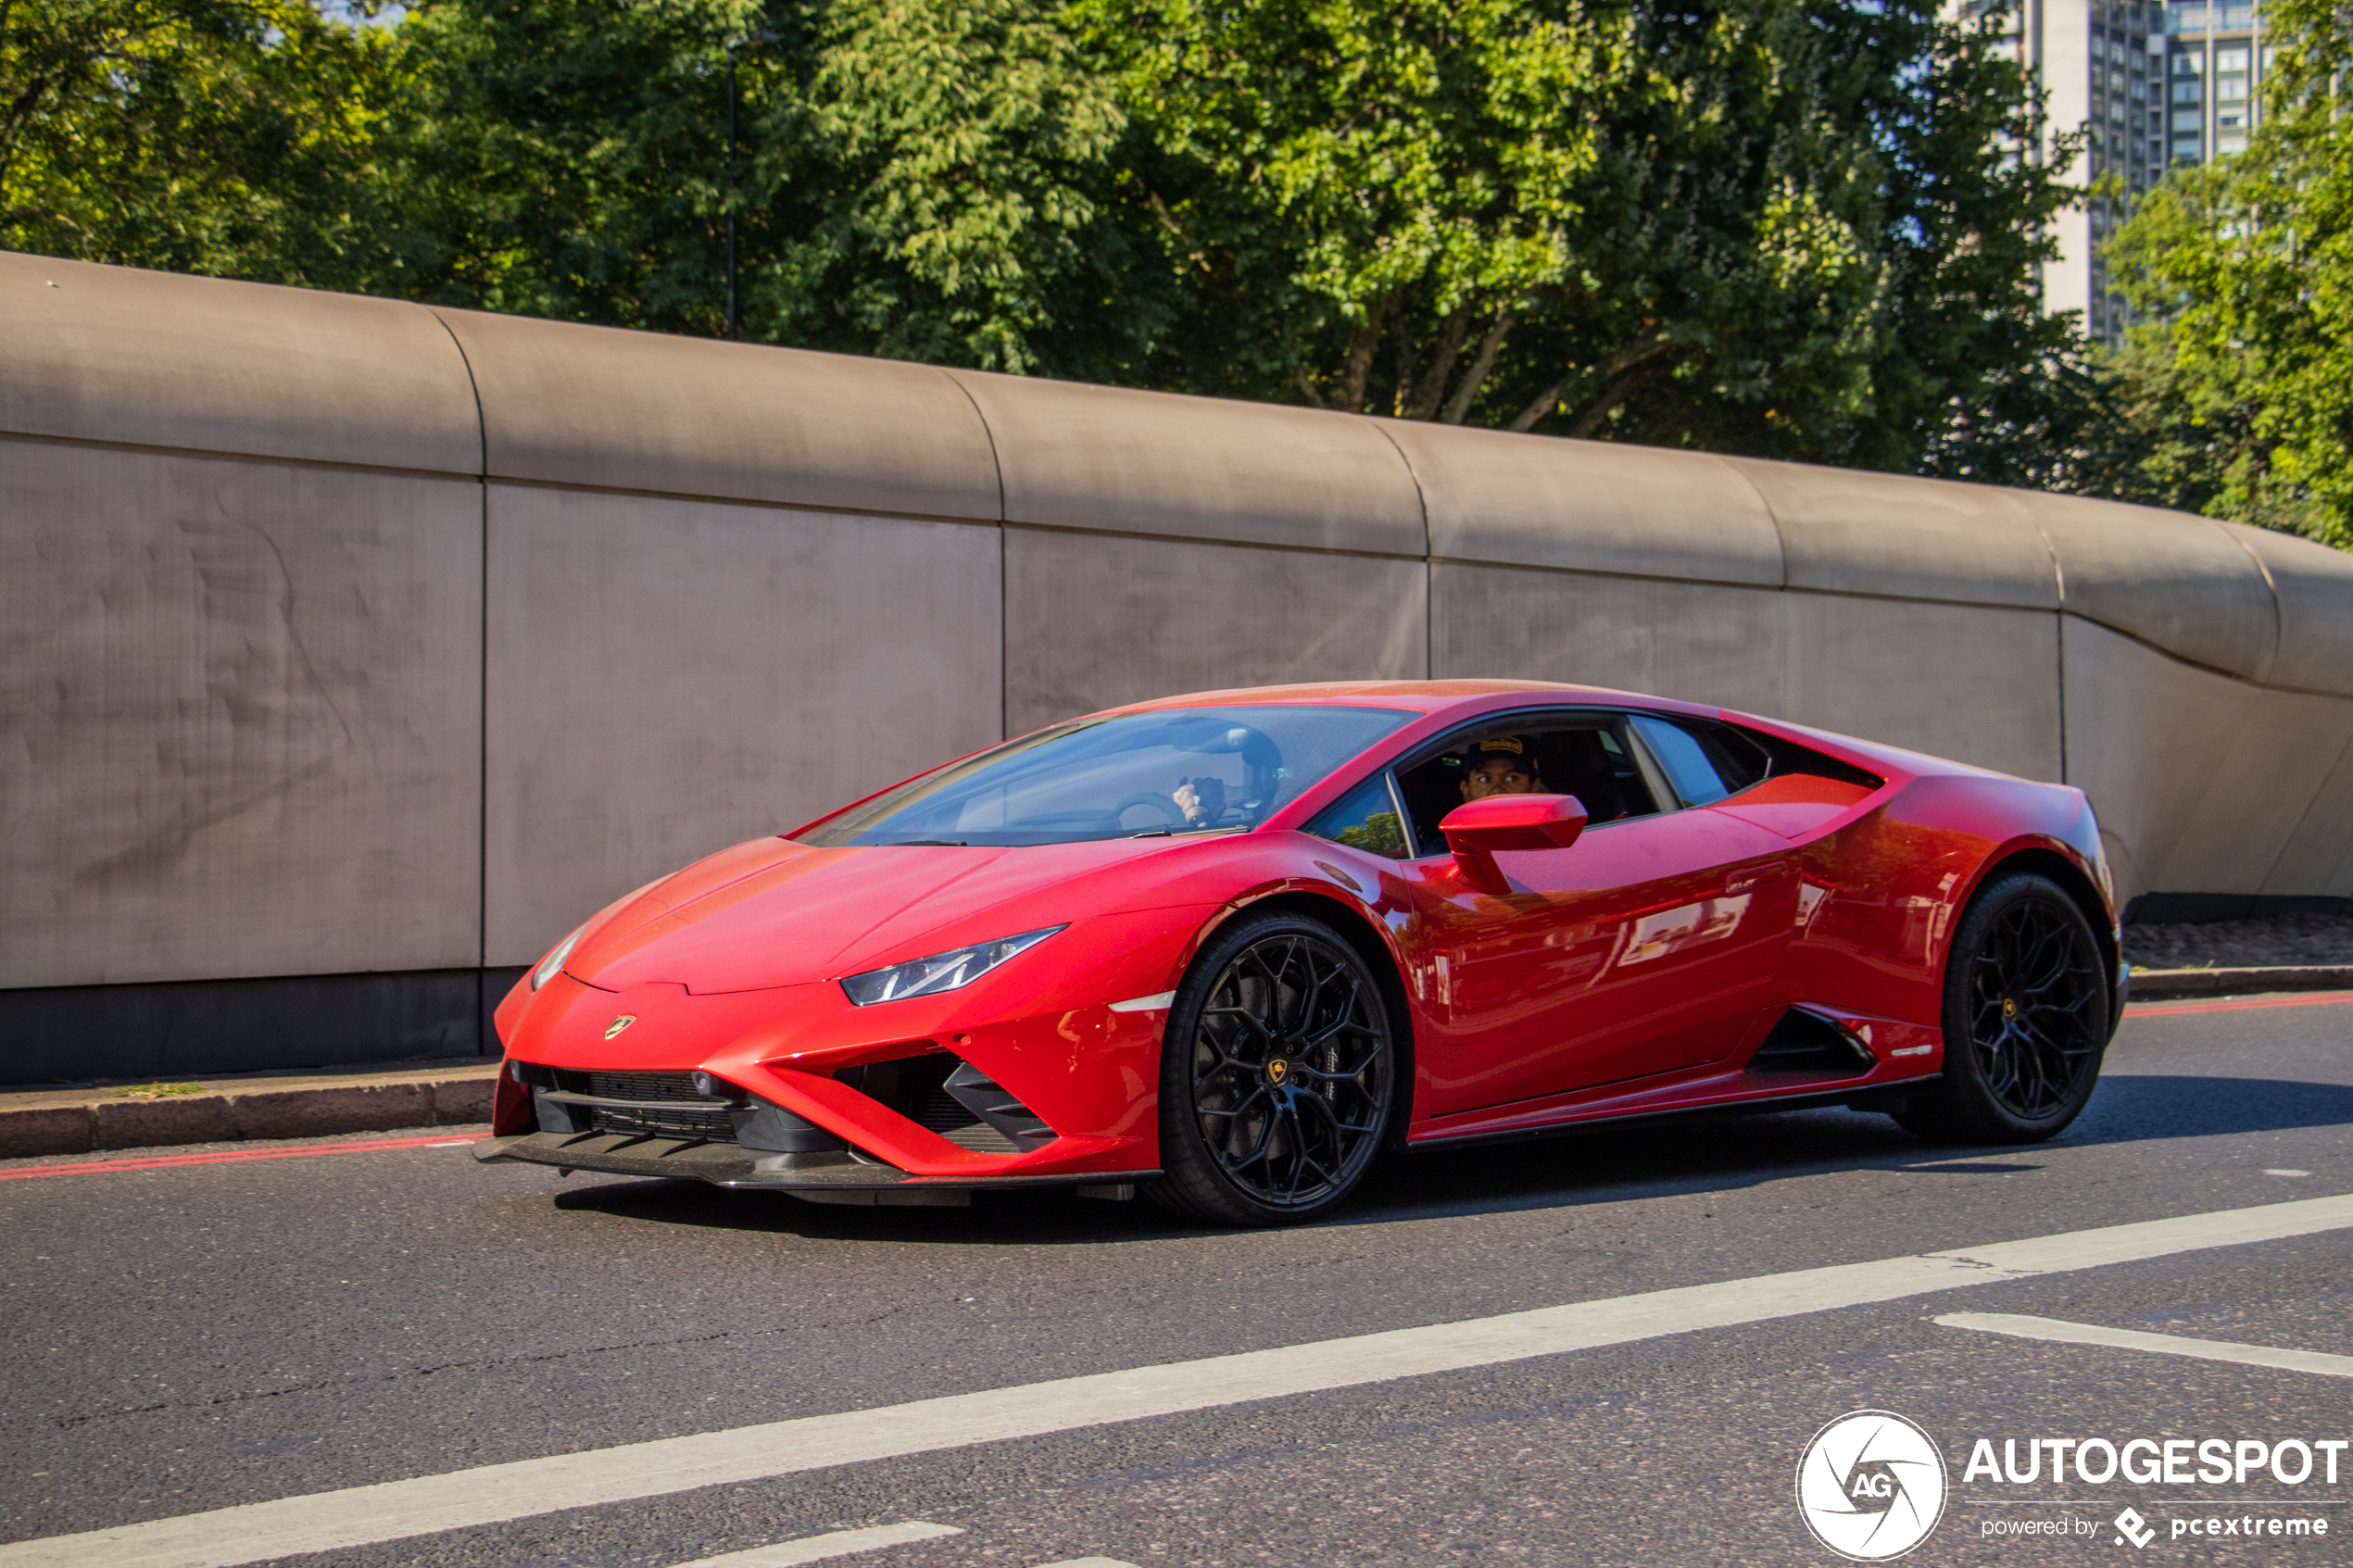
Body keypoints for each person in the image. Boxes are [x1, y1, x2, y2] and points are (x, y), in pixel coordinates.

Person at [1460, 735, 1544, 801]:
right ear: (1466, 791)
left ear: (1534, 787)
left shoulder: (1552, 822)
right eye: (1484, 779)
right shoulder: (1450, 823)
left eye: (1512, 778)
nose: (1497, 791)